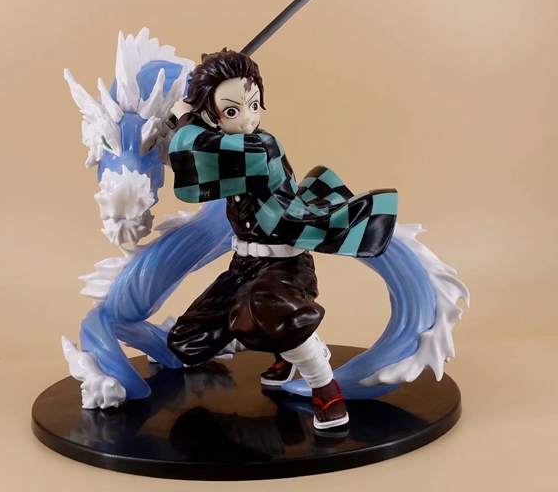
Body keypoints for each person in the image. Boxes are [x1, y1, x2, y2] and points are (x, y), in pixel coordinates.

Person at [167, 49, 398, 430]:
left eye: (253, 104)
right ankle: (284, 352)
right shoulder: (221, 144)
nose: (247, 118)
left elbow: (197, 148)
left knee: (269, 312)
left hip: (284, 264)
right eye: (231, 110)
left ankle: (325, 388)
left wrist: (184, 118)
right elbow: (194, 161)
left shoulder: (261, 147)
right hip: (244, 264)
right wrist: (183, 123)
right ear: (212, 115)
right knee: (188, 340)